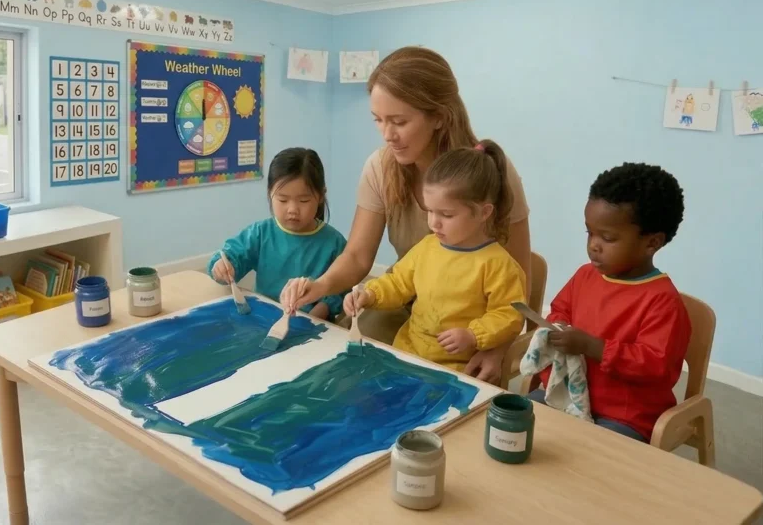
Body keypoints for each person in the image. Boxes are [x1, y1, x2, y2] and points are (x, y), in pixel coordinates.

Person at [280, 46, 532, 382]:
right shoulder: (381, 167)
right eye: (378, 120)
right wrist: (322, 285)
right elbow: (357, 256)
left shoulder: (489, 173)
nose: (387, 135)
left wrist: (495, 346)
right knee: (350, 366)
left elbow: (515, 290)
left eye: (399, 121)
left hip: (468, 329)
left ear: (439, 116)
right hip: (410, 312)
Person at [530, 163, 691, 442]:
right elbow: (561, 308)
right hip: (569, 394)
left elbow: (656, 367)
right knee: (519, 423)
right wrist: (557, 325)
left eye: (607, 237)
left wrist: (593, 347)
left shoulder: (662, 301)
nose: (593, 244)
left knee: (592, 463)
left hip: (625, 416)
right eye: (589, 233)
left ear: (652, 243)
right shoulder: (585, 275)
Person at [342, 141, 526, 371]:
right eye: (430, 211)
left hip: (458, 368)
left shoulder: (498, 265)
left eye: (446, 214)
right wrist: (369, 295)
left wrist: (473, 335)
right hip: (407, 353)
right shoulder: (427, 247)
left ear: (484, 212)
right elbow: (398, 283)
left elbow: (509, 315)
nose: (433, 222)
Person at [208, 148, 348, 321]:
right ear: (270, 194)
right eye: (282, 200)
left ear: (320, 196)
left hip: (315, 326)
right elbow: (231, 256)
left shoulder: (334, 242)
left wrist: (320, 311)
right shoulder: (260, 233)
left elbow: (342, 288)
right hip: (264, 320)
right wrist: (221, 266)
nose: (292, 210)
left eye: (303, 201)